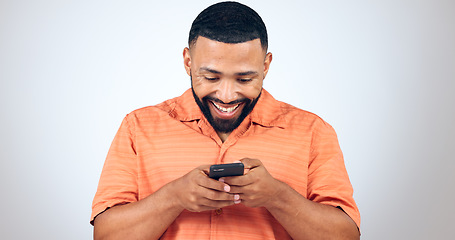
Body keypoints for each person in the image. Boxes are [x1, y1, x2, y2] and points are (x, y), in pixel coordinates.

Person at [91, 2, 360, 239]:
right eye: (211, 77)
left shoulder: (314, 132)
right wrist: (174, 197)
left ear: (265, 66)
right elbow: (106, 235)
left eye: (244, 79)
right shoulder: (137, 127)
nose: (227, 96)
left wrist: (278, 197)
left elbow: (346, 236)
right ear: (188, 62)